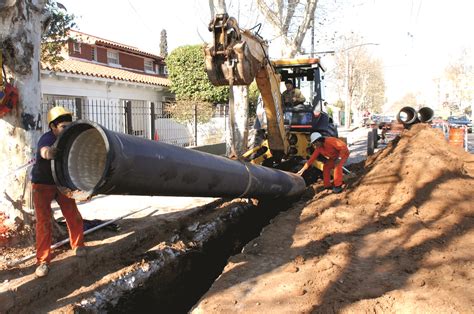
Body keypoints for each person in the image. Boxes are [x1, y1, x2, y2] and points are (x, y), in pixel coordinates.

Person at [31, 106, 86, 277]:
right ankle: (42, 262)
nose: (66, 130)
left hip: (61, 182)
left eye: (68, 126)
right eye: (63, 127)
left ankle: (78, 246)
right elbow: (43, 151)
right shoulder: (46, 138)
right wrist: (49, 153)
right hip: (42, 185)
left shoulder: (69, 139)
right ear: (53, 127)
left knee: (73, 214)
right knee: (43, 222)